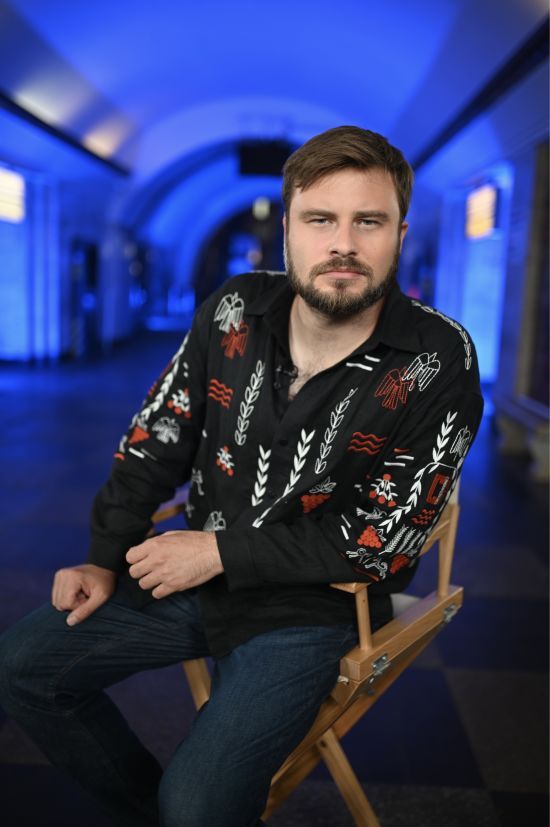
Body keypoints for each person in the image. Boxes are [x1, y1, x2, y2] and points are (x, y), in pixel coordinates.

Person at [0, 126, 483, 827]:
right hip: (194, 573)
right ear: (286, 228)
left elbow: (381, 541)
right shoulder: (234, 309)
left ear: (399, 234)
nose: (343, 244)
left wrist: (219, 551)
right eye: (320, 219)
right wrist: (105, 556)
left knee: (197, 804)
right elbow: (157, 438)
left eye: (369, 222)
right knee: (23, 666)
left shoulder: (438, 357)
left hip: (318, 606)